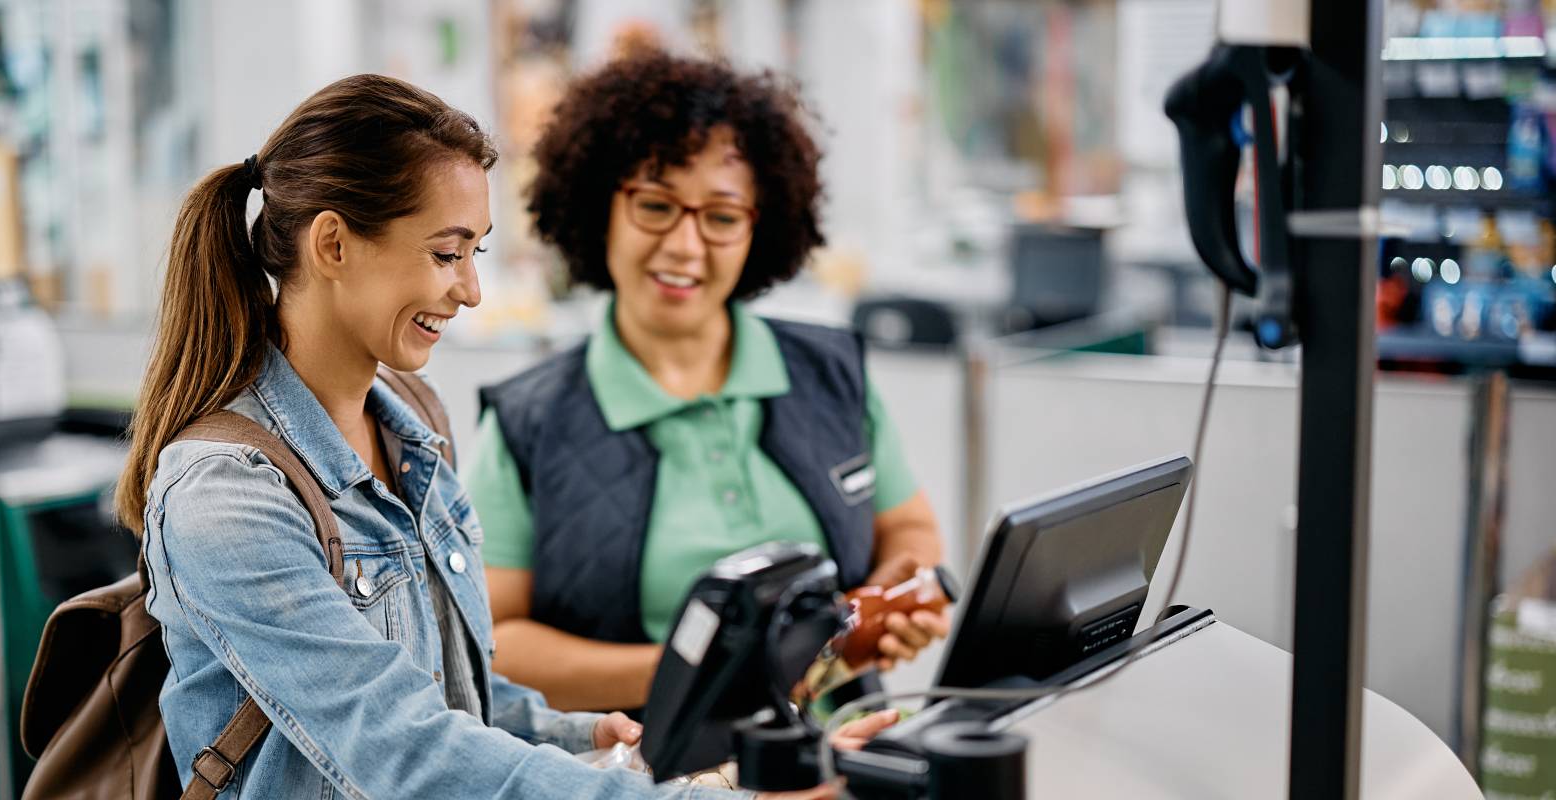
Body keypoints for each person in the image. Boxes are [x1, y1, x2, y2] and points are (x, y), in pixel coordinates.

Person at [119, 73, 882, 798]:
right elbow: (399, 750)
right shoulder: (225, 496)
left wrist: (584, 735)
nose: (471, 290)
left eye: (474, 254)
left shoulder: (413, 425)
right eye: (446, 254)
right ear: (333, 245)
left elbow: (459, 700)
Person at [468, 52, 949, 713]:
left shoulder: (831, 374)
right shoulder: (528, 425)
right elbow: (494, 642)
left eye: (722, 216)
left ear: (762, 224)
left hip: (846, 757)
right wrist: (704, 670)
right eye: (656, 205)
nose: (686, 247)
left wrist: (891, 601)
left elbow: (911, 531)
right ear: (597, 206)